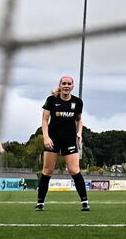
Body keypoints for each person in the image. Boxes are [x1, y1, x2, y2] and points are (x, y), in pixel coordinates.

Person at [35, 76, 90, 212]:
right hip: (53, 139)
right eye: (63, 83)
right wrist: (46, 138)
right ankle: (40, 202)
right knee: (47, 171)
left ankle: (85, 201)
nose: (66, 86)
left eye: (69, 84)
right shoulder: (52, 100)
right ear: (60, 85)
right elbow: (44, 120)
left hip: (69, 140)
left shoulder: (77, 102)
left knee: (74, 170)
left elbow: (79, 120)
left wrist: (79, 133)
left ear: (73, 86)